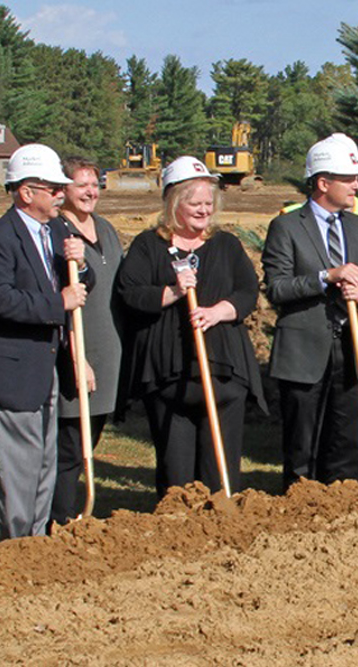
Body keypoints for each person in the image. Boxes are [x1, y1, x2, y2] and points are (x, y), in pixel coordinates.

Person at [117, 157, 266, 497]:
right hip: (170, 377)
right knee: (176, 474)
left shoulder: (226, 245)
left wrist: (218, 313)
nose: (204, 211)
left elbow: (247, 291)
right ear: (173, 203)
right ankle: (178, 533)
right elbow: (130, 292)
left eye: (208, 203)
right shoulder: (148, 245)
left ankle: (221, 529)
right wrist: (171, 291)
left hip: (223, 375)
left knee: (221, 474)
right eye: (195, 203)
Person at [0, 143, 90, 539]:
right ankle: (16, 548)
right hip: (11, 371)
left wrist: (81, 264)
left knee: (43, 465)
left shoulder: (56, 230)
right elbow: (0, 299)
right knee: (20, 469)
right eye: (54, 188)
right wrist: (59, 302)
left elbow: (78, 286)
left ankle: (36, 545)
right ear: (26, 192)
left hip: (45, 368)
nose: (62, 195)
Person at [277, 134, 358, 484]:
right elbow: (277, 287)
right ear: (323, 182)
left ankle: (345, 511)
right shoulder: (287, 226)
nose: (357, 186)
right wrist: (325, 277)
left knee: (348, 442)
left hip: (353, 350)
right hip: (304, 352)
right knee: (303, 444)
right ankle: (300, 509)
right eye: (349, 179)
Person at [50, 156, 125, 525]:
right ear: (62, 189)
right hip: (78, 353)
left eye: (94, 185)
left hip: (108, 351)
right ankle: (58, 519)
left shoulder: (106, 229)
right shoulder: (57, 232)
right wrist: (78, 355)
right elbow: (59, 302)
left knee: (86, 444)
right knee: (69, 447)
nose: (90, 192)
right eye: (81, 185)